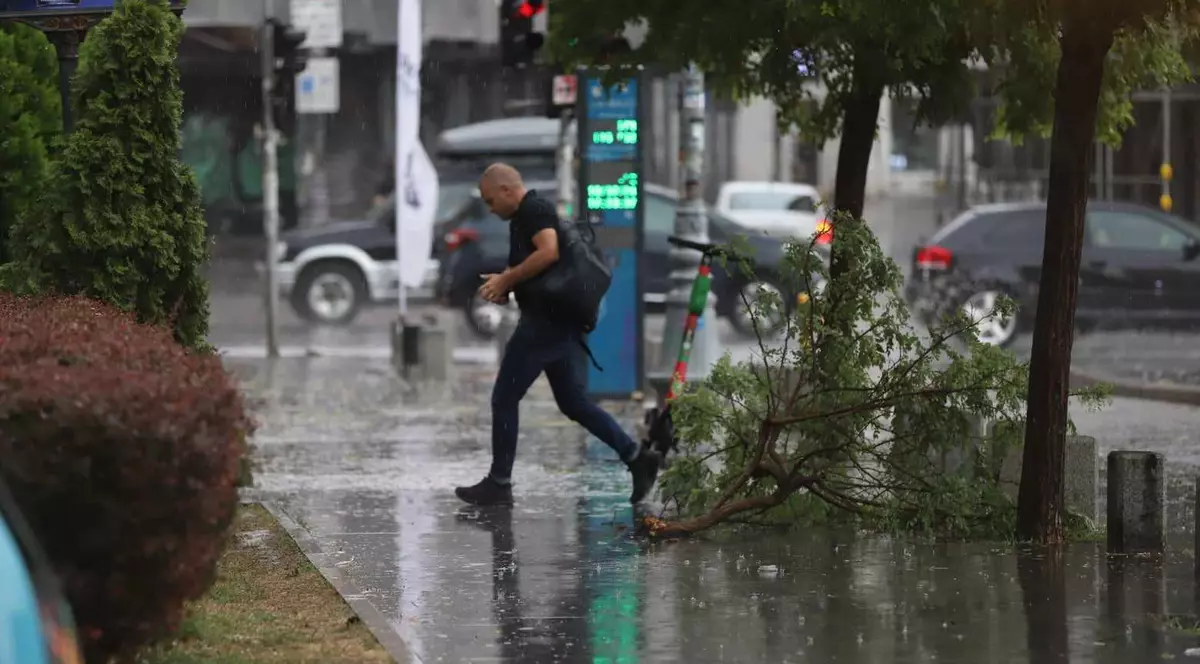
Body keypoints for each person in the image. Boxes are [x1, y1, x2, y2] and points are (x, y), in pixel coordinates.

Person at [455, 163, 661, 507]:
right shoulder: (524, 217)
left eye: (491, 201)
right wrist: (507, 283)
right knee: (574, 403)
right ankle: (637, 457)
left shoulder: (534, 209)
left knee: (504, 398)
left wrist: (508, 280)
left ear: (507, 190)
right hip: (556, 321)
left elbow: (549, 251)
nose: (490, 210)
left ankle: (499, 483)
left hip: (545, 324)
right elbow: (540, 265)